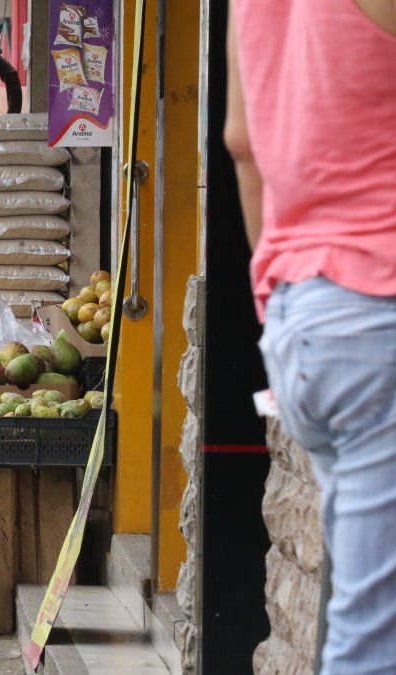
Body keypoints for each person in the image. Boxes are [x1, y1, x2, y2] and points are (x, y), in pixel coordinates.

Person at [226, 1, 396, 672]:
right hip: (374, 311)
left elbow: (242, 140)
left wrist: (283, 303)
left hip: (305, 321)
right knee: (371, 644)